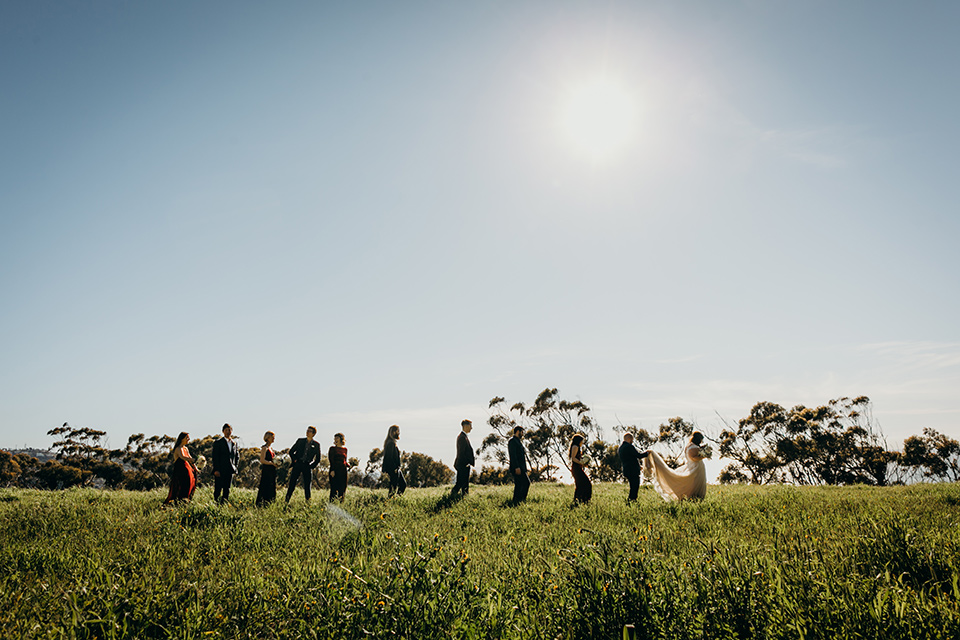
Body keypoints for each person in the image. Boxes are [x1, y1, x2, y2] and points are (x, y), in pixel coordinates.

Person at [642, 431, 708, 501]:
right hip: (695, 467)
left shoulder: (689, 445)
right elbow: (694, 458)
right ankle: (694, 497)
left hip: (691, 466)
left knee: (692, 483)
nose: (701, 441)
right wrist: (704, 455)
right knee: (694, 484)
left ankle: (693, 498)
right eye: (701, 440)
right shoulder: (693, 447)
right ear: (698, 439)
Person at [285, 426, 322, 504]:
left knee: (307, 486)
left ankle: (308, 504)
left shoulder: (316, 444)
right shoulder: (300, 441)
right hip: (298, 464)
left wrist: (311, 466)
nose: (307, 432)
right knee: (292, 484)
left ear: (314, 433)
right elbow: (291, 451)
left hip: (307, 465)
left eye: (310, 431)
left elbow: (318, 458)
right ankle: (286, 501)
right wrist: (294, 460)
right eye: (307, 430)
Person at [164, 432, 197, 504]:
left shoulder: (185, 448)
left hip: (188, 470)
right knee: (180, 487)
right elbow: (183, 457)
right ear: (182, 439)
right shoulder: (178, 448)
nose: (188, 439)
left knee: (190, 484)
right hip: (180, 471)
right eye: (187, 438)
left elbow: (190, 458)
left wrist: (195, 467)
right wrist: (190, 459)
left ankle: (186, 500)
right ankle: (178, 502)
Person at [212, 423, 239, 504]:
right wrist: (216, 469)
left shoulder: (234, 443)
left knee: (227, 489)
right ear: (223, 431)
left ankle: (224, 504)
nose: (228, 432)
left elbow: (237, 456)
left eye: (229, 430)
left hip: (229, 470)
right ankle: (216, 504)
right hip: (220, 470)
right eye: (226, 430)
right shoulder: (218, 442)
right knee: (218, 489)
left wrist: (235, 467)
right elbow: (215, 457)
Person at [618, 433, 649, 502]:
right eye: (632, 439)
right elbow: (638, 455)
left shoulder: (621, 448)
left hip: (627, 470)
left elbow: (630, 458)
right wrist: (647, 453)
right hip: (632, 470)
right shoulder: (629, 447)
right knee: (635, 486)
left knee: (633, 486)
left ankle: (631, 500)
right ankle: (632, 500)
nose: (632, 441)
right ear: (629, 439)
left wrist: (638, 466)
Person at [450, 419, 475, 498]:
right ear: (466, 426)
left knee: (463, 483)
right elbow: (461, 452)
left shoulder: (464, 437)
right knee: (461, 483)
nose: (471, 428)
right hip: (463, 464)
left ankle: (460, 496)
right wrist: (466, 463)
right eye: (470, 426)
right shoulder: (462, 437)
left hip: (463, 464)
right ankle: (455, 495)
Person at [382, 424, 406, 497]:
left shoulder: (391, 442)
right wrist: (394, 468)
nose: (399, 433)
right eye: (397, 431)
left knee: (399, 485)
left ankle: (395, 499)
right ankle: (391, 499)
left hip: (395, 468)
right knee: (395, 485)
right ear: (393, 432)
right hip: (393, 468)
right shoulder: (391, 443)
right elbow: (389, 457)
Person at [508, 426, 530, 504]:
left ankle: (516, 501)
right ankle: (521, 500)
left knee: (519, 484)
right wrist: (517, 467)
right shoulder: (512, 441)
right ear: (518, 431)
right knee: (526, 483)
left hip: (521, 467)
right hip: (517, 468)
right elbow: (513, 455)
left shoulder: (518, 441)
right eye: (521, 432)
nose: (522, 434)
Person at [256, 431, 277, 506]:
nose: (274, 439)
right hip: (267, 470)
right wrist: (271, 463)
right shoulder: (264, 448)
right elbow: (262, 460)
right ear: (268, 438)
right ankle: (262, 503)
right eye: (272, 437)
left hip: (272, 470)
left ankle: (270, 502)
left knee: (272, 486)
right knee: (265, 486)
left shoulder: (271, 448)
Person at [570, 433, 592, 505]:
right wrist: (581, 462)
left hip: (578, 467)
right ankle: (581, 500)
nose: (582, 443)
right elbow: (573, 458)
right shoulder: (575, 446)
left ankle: (580, 500)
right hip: (576, 468)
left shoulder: (577, 447)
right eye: (582, 441)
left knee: (581, 484)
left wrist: (584, 463)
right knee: (585, 484)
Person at [328, 432, 350, 501]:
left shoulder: (345, 449)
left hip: (343, 471)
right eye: (335, 438)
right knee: (334, 489)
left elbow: (344, 460)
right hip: (335, 470)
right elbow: (331, 460)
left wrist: (349, 465)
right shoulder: (332, 449)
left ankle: (341, 504)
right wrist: (332, 470)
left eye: (337, 438)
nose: (335, 440)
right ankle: (331, 505)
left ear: (341, 439)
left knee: (342, 489)